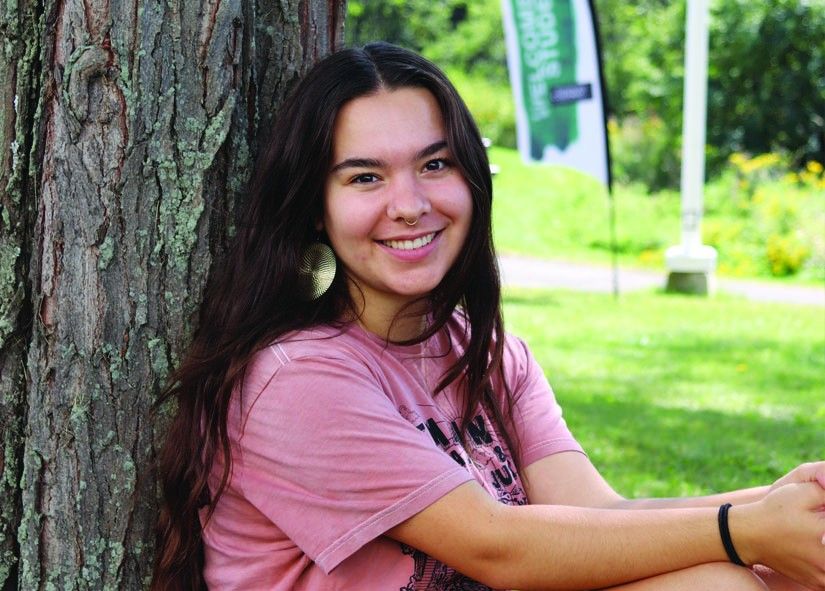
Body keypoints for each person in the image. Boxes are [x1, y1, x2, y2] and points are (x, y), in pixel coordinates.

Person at [152, 42, 825, 591]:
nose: (409, 203)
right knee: (716, 583)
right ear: (312, 205)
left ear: (471, 176)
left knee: (769, 571)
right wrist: (748, 526)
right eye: (365, 176)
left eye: (434, 163)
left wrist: (782, 503)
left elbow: (597, 515)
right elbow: (497, 546)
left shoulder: (487, 354)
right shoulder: (294, 380)